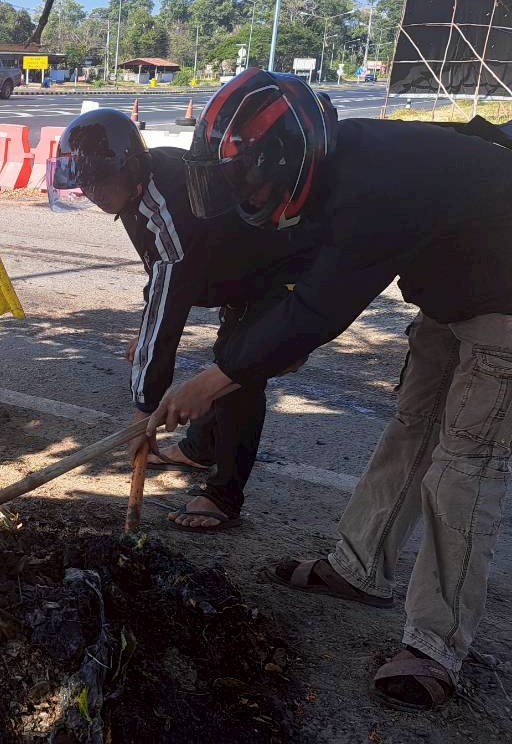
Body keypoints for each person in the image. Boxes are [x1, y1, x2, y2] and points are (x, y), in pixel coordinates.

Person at [151, 67, 512, 710]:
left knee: (463, 467)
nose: (248, 195)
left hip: (504, 302)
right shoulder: (329, 169)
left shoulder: (375, 187)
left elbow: (321, 307)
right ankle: (358, 568)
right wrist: (244, 354)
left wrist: (218, 377)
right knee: (411, 430)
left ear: (287, 158)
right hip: (452, 292)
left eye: (251, 180)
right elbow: (295, 285)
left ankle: (435, 645)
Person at [49, 108, 314, 530]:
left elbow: (170, 298)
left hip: (279, 274)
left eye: (100, 181)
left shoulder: (166, 203)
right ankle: (199, 449)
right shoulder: (137, 191)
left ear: (129, 169)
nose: (92, 192)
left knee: (238, 372)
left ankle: (224, 498)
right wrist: (146, 332)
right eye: (85, 183)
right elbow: (159, 274)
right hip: (237, 273)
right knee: (225, 359)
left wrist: (143, 412)